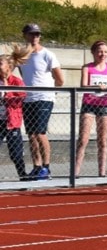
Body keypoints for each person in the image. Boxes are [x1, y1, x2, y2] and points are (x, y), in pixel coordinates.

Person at [75, 40, 107, 177]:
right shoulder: (87, 67)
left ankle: (102, 173)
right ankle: (75, 173)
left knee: (102, 141)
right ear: (93, 53)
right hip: (89, 105)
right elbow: (83, 86)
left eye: (105, 52)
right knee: (83, 140)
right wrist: (96, 88)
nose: (102, 54)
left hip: (103, 105)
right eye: (99, 51)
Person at [20, 23, 65, 180]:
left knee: (40, 132)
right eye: (32, 34)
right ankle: (37, 166)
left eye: (37, 34)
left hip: (44, 98)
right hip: (28, 99)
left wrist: (51, 94)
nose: (35, 37)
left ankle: (46, 167)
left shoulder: (48, 54)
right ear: (25, 35)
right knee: (31, 134)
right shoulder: (22, 56)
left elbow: (59, 79)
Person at [0, 45, 29, 180]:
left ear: (8, 66)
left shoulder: (16, 81)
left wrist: (8, 93)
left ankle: (22, 175)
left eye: (0, 63)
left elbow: (21, 97)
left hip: (12, 121)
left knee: (16, 153)